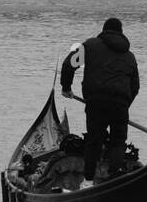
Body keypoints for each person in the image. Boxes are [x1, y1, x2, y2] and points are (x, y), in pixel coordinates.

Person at [60, 16, 140, 180]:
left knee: (94, 140)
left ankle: (89, 178)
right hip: (120, 105)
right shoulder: (130, 57)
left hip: (95, 101)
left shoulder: (90, 46)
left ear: (103, 30)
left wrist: (66, 88)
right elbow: (135, 87)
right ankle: (113, 177)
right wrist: (124, 104)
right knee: (118, 142)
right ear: (121, 33)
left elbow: (69, 64)